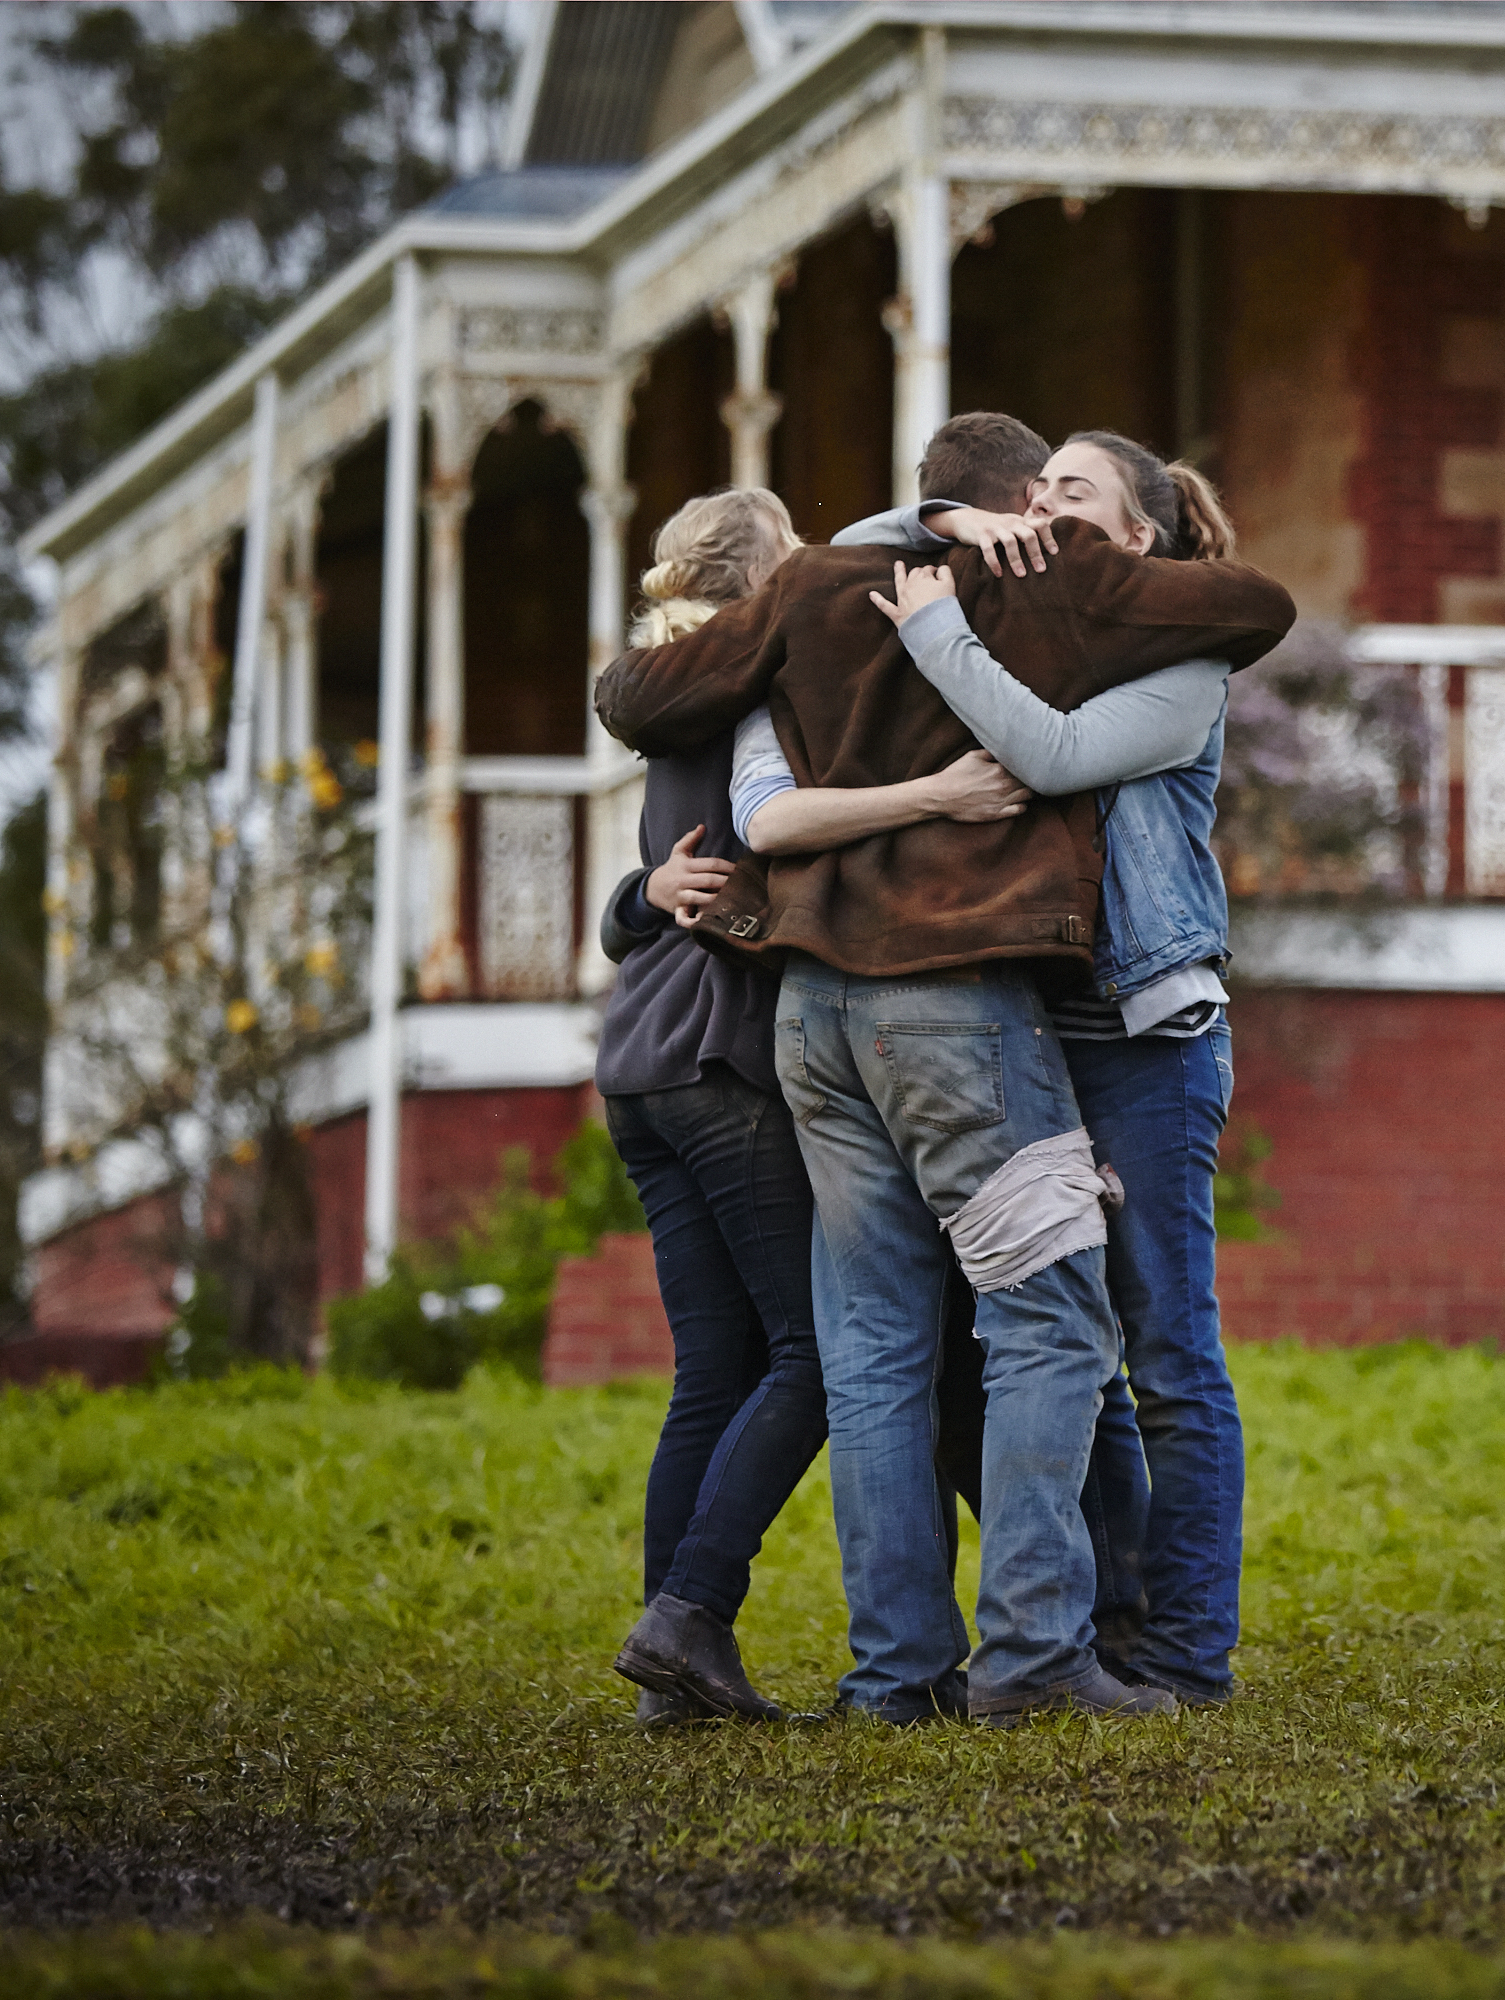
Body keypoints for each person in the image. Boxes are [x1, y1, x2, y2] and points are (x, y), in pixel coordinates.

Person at [593, 413, 1295, 1726]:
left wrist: (900, 548)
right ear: (1025, 496)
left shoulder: (814, 584)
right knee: (1052, 1328)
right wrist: (960, 565)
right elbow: (1261, 601)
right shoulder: (1058, 586)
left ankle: (893, 1679)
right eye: (1055, 493)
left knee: (873, 1353)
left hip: (815, 1014)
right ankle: (1038, 1660)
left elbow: (633, 694)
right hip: (957, 1005)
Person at [797, 431, 1251, 1706]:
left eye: (1077, 493)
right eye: (1037, 488)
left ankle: (1186, 1649)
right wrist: (949, 513)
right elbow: (852, 556)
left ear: (1142, 538)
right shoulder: (1031, 617)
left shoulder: (1184, 662)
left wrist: (943, 634)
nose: (1044, 506)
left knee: (1168, 1355)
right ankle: (1105, 1618)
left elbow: (1046, 756)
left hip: (1149, 1042)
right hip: (1039, 1030)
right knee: (1072, 1344)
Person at [587, 488, 1028, 1726]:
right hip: (722, 1055)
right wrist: (939, 794)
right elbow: (754, 849)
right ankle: (687, 1613)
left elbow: (660, 880)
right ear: (771, 577)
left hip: (641, 1065)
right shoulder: (744, 683)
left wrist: (638, 895)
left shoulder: (675, 681)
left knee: (713, 1369)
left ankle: (677, 1669)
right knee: (818, 1356)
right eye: (798, 565)